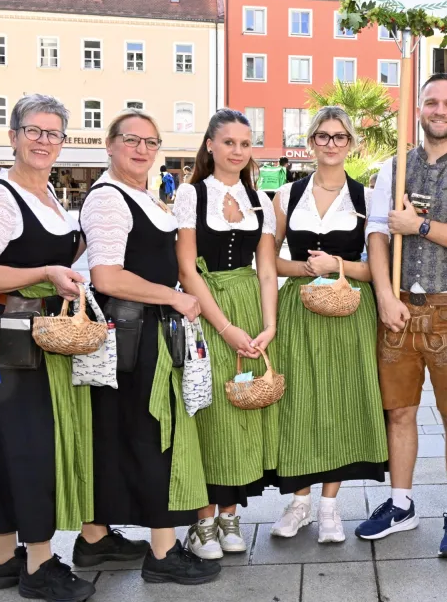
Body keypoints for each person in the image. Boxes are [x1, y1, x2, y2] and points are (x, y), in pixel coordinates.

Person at [0, 95, 101, 602]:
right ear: (13, 135)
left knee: (9, 444)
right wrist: (44, 272)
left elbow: (54, 247)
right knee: (26, 445)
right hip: (8, 337)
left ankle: (2, 560)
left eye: (53, 133)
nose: (44, 141)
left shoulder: (48, 195)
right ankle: (39, 566)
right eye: (34, 131)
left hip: (33, 336)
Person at [356, 73, 447, 558]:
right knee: (399, 412)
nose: (440, 110)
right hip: (398, 305)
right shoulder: (393, 167)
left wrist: (417, 224)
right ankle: (401, 503)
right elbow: (376, 235)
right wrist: (383, 296)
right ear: (418, 109)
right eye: (431, 102)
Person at [80, 108, 220, 585]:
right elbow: (106, 277)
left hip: (139, 335)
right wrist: (174, 298)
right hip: (133, 336)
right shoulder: (108, 199)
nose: (141, 149)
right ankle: (161, 554)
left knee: (119, 432)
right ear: (110, 144)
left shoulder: (139, 196)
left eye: (150, 142)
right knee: (153, 433)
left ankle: (95, 537)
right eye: (131, 140)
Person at [267, 106, 387, 543]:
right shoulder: (287, 195)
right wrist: (303, 269)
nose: (331, 144)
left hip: (349, 311)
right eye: (323, 136)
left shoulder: (366, 199)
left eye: (339, 137)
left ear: (350, 143)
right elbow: (269, 258)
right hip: (298, 309)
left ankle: (330, 507)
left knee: (338, 402)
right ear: (311, 141)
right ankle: (299, 502)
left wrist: (336, 264)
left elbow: (378, 270)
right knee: (299, 402)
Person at [173, 109, 280, 559]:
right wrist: (225, 325)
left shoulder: (260, 199)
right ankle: (202, 522)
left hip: (250, 307)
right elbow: (186, 269)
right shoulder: (191, 195)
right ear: (211, 146)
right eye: (229, 142)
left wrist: (269, 324)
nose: (237, 151)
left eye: (245, 142)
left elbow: (267, 269)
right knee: (209, 410)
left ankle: (230, 515)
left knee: (241, 409)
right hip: (206, 309)